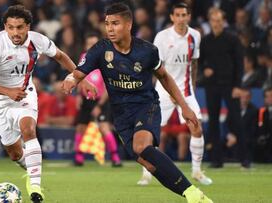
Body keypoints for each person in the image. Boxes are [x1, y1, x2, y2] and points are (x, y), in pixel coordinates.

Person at [62, 3, 212, 203]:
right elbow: (78, 73)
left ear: (129, 24)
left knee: (142, 147)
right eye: (107, 24)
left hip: (146, 106)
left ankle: (193, 193)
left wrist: (184, 107)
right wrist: (72, 80)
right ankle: (190, 194)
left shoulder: (147, 51)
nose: (110, 29)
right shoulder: (100, 49)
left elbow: (165, 78)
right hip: (121, 115)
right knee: (149, 164)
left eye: (115, 23)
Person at [0, 5, 96, 203]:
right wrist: (8, 92)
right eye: (11, 27)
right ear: (5, 27)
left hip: (24, 95)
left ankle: (35, 188)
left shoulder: (37, 40)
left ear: (27, 26)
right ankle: (30, 168)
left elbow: (61, 56)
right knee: (14, 154)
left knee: (28, 129)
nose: (15, 32)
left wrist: (82, 79)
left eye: (20, 27)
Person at [138, 3, 212, 186]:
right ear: (171, 17)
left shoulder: (195, 36)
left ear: (189, 16)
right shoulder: (162, 37)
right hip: (164, 90)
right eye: (177, 15)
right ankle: (146, 174)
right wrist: (168, 90)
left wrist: (191, 88)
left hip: (185, 90)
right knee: (150, 132)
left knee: (196, 127)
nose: (181, 18)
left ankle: (196, 171)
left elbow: (194, 64)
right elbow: (156, 67)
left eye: (184, 15)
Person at [199, 7, 244, 168]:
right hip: (212, 86)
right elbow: (200, 62)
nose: (216, 24)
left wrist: (238, 85)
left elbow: (240, 64)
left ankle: (244, 158)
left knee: (237, 120)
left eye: (219, 21)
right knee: (213, 122)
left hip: (230, 85)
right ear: (210, 22)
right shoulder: (205, 41)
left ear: (223, 22)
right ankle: (217, 159)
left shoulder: (232, 39)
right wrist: (204, 70)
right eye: (214, 21)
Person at [74, 32, 122, 167]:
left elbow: (109, 85)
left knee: (104, 127)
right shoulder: (83, 58)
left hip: (100, 99)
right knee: (80, 128)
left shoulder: (106, 60)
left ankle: (115, 157)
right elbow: (79, 77)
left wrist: (99, 105)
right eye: (89, 44)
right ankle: (78, 157)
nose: (91, 47)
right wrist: (78, 96)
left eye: (94, 44)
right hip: (85, 98)